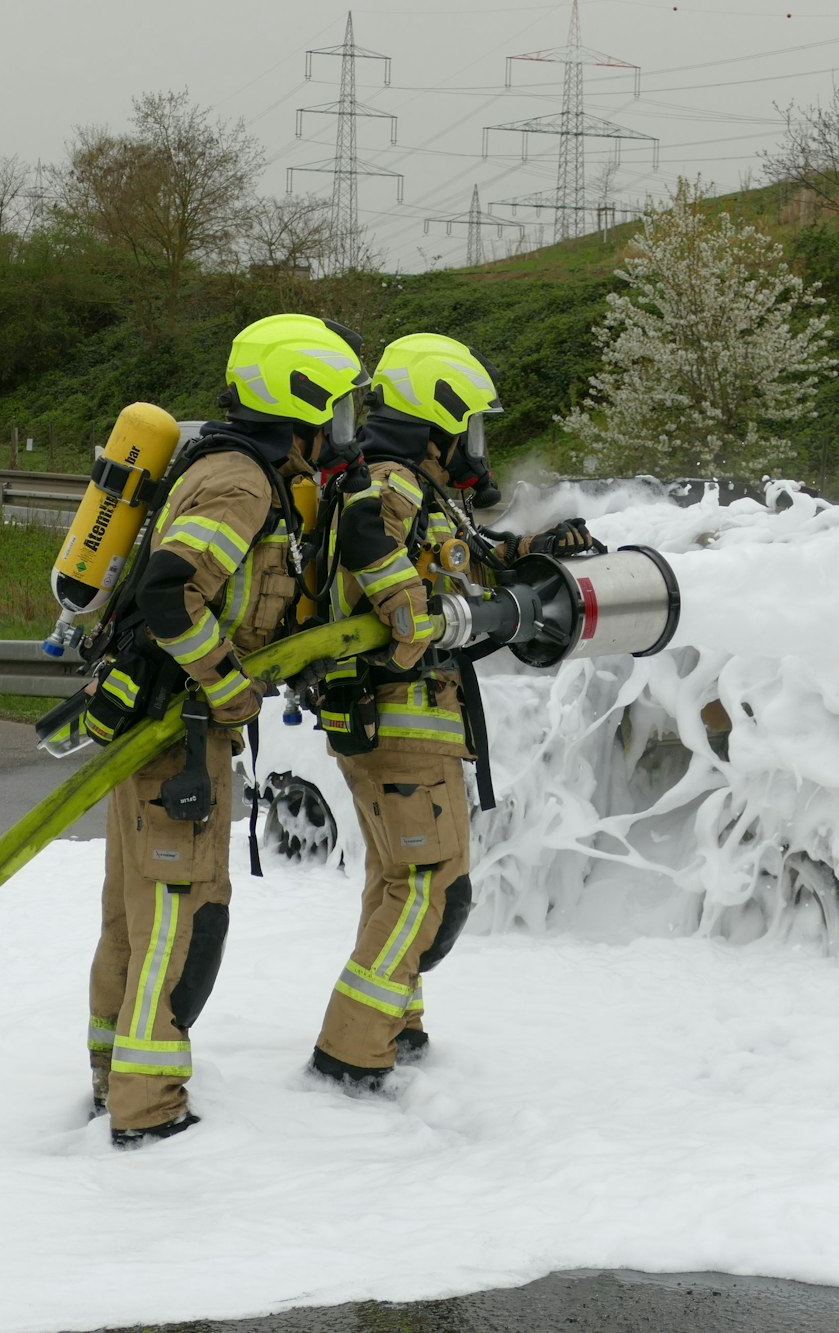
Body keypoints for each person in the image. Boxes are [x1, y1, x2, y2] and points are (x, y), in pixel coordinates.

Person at [86, 313, 368, 1147]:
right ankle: (148, 1110)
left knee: (132, 921)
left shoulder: (235, 467)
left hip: (160, 727)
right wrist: (228, 680)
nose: (339, 431)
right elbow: (171, 592)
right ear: (299, 402)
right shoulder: (244, 483)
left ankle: (113, 1081)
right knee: (182, 920)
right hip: (178, 735)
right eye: (334, 411)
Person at [306, 332, 597, 1092]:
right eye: (470, 424)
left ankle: (397, 1028)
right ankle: (351, 1052)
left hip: (399, 721)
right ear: (438, 422)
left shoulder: (412, 491)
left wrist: (537, 547)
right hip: (401, 718)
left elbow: (464, 560)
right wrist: (473, 618)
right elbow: (399, 597)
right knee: (429, 887)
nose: (477, 444)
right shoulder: (391, 488)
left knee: (399, 879)